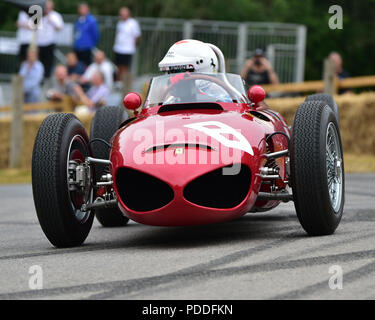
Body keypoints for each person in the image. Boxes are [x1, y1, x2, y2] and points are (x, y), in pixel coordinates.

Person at [113, 7, 141, 83]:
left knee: (125, 67)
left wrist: (134, 45)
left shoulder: (133, 23)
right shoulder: (120, 23)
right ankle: (118, 83)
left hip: (127, 50)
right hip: (118, 48)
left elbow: (137, 36)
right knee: (118, 67)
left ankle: (124, 83)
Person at [37, 0, 64, 79]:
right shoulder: (39, 14)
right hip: (39, 42)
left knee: (48, 63)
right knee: (39, 63)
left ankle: (47, 78)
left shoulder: (56, 15)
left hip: (49, 42)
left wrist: (50, 19)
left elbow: (59, 28)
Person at [74, 3, 100, 67]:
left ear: (87, 9)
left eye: (83, 8)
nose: (81, 10)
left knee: (86, 65)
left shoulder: (91, 20)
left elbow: (95, 34)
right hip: (78, 47)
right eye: (80, 8)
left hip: (87, 48)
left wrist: (91, 44)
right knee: (78, 65)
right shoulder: (78, 20)